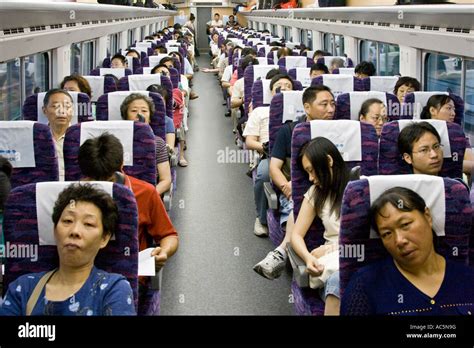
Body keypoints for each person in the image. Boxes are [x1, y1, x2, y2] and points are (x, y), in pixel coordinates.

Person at [0, 183, 136, 315]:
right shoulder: (23, 288)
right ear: (54, 230)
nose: (75, 231)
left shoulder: (114, 289)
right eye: (67, 221)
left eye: (88, 224)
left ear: (104, 238)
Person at [341, 187, 474, 315]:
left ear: (427, 216)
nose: (399, 240)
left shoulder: (468, 278)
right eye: (387, 233)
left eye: (405, 224)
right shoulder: (365, 285)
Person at [253, 86, 336, 278]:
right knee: (298, 204)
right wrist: (287, 186)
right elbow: (274, 167)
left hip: (332, 192)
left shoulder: (343, 131)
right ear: (307, 107)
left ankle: (282, 251)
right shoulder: (290, 131)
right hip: (296, 189)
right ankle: (286, 252)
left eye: (332, 104)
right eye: (324, 104)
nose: (331, 109)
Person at [78, 134, 178, 275]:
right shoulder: (72, 194)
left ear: (121, 165)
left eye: (108, 180)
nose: (103, 186)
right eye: (95, 180)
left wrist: (164, 252)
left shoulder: (145, 192)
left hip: (129, 274)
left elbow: (169, 235)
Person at [291, 137, 352, 316]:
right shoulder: (315, 194)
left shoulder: (362, 188)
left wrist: (329, 250)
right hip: (333, 269)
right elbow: (296, 235)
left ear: (328, 161)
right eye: (307, 173)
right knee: (337, 282)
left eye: (312, 171)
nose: (310, 178)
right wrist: (308, 257)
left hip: (357, 257)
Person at [244, 74, 294, 237]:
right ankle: (261, 218)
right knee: (264, 173)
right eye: (279, 86)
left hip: (296, 155)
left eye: (288, 85)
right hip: (270, 153)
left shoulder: (300, 112)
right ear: (271, 92)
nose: (284, 88)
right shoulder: (260, 111)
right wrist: (264, 146)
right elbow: (250, 141)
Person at [120, 93, 172, 195]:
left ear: (150, 117)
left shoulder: (157, 142)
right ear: (125, 116)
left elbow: (166, 180)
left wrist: (149, 196)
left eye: (144, 111)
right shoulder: (114, 141)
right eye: (134, 111)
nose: (139, 115)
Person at [420, 95, 473, 177]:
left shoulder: (457, 134)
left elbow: (471, 163)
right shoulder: (418, 131)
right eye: (448, 108)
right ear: (432, 110)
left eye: (454, 109)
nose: (453, 113)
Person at [150, 65, 188, 167]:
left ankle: (181, 156)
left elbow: (174, 103)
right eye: (159, 73)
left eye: (166, 73)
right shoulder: (148, 90)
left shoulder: (174, 91)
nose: (163, 75)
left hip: (174, 118)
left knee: (179, 127)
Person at [42, 89, 74, 181]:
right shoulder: (37, 138)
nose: (61, 111)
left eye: (67, 107)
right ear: (44, 110)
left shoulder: (80, 136)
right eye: (55, 106)